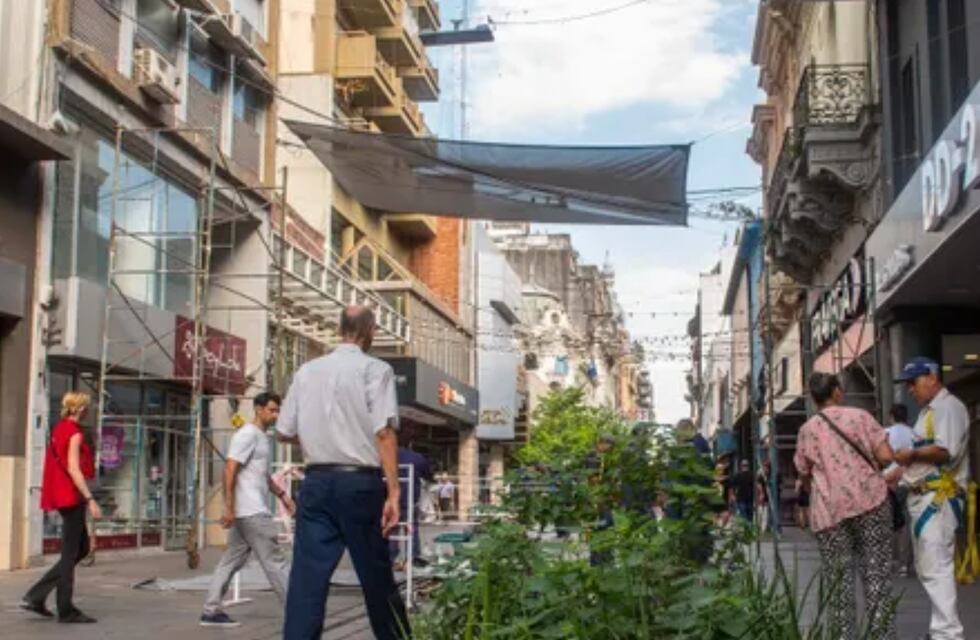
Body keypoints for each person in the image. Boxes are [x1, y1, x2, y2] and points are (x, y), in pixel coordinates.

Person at [278, 306, 409, 640]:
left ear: (340, 330)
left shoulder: (307, 371)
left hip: (317, 481)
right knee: (376, 577)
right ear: (370, 330)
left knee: (307, 579)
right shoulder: (376, 369)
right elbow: (384, 432)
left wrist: (321, 439)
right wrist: (393, 491)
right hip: (360, 483)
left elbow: (284, 429)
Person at [794, 373, 896, 640]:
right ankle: (882, 636)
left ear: (814, 399)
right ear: (837, 391)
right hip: (870, 504)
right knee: (876, 579)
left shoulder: (807, 430)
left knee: (839, 586)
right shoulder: (860, 417)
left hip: (829, 513)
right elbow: (886, 456)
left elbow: (803, 473)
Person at [200, 392, 294, 628]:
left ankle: (211, 611)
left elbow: (261, 475)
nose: (276, 414)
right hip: (252, 512)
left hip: (247, 512)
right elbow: (230, 469)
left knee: (231, 560)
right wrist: (228, 508)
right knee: (276, 562)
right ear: (259, 409)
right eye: (272, 410)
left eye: (277, 410)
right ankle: (297, 611)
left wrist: (282, 495)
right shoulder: (247, 434)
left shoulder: (262, 437)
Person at [893, 358, 970, 640]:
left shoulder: (948, 407)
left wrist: (911, 455)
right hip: (924, 497)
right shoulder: (928, 412)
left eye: (914, 382)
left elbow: (944, 451)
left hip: (937, 499)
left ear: (932, 378)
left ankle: (948, 634)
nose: (911, 389)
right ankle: (941, 629)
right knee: (930, 568)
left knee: (936, 568)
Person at [21, 391, 101, 624]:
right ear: (79, 409)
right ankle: (65, 609)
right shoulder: (74, 434)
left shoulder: (59, 429)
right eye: (85, 407)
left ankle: (36, 596)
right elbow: (74, 469)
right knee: (70, 554)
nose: (88, 411)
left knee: (82, 548)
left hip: (62, 494)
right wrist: (90, 499)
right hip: (72, 496)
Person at [389, 446, 434, 569]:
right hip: (410, 498)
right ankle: (412, 558)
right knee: (411, 528)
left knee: (392, 528)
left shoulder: (386, 455)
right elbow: (429, 476)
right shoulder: (417, 458)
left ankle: (392, 559)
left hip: (391, 499)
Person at [884, 404, 916, 577]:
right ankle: (905, 564)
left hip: (888, 482)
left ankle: (891, 561)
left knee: (889, 523)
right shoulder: (914, 433)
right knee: (905, 523)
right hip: (908, 481)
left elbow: (881, 457)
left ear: (891, 416)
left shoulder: (886, 433)